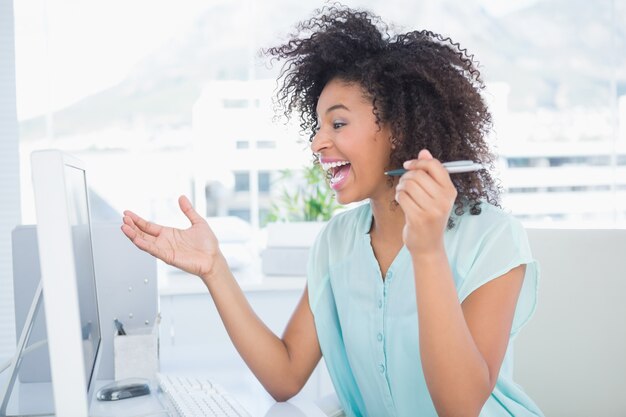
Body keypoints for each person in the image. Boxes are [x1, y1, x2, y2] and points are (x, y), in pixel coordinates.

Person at [121, 4, 544, 417]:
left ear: (399, 130)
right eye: (318, 126)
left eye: (338, 124)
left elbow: (460, 408)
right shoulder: (336, 243)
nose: (317, 143)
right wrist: (214, 268)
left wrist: (428, 250)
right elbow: (284, 375)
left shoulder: (493, 239)